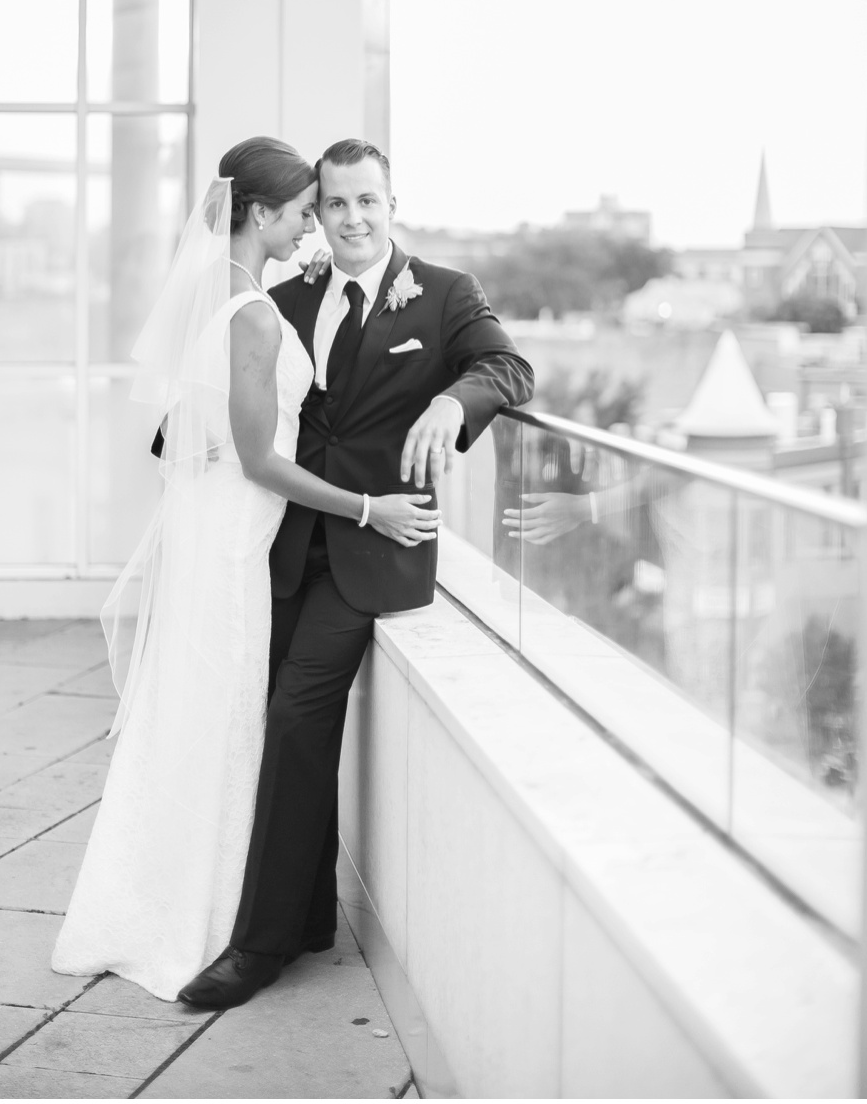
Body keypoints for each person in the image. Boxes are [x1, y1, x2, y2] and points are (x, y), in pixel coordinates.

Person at [53, 139, 441, 1001]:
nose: (317, 227)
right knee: (223, 721)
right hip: (235, 541)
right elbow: (262, 460)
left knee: (193, 716)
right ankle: (195, 919)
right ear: (260, 214)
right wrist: (371, 508)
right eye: (308, 210)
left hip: (217, 529)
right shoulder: (259, 314)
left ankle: (179, 904)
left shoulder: (215, 301)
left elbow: (183, 431)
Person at [176, 139, 535, 1010]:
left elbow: (509, 367)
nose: (352, 219)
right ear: (318, 213)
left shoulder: (446, 292)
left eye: (367, 201)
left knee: (300, 711)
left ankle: (256, 948)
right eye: (334, 205)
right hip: (288, 542)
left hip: (381, 548)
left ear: (392, 202)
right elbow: (247, 400)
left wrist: (455, 401)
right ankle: (306, 918)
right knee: (270, 715)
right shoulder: (284, 295)